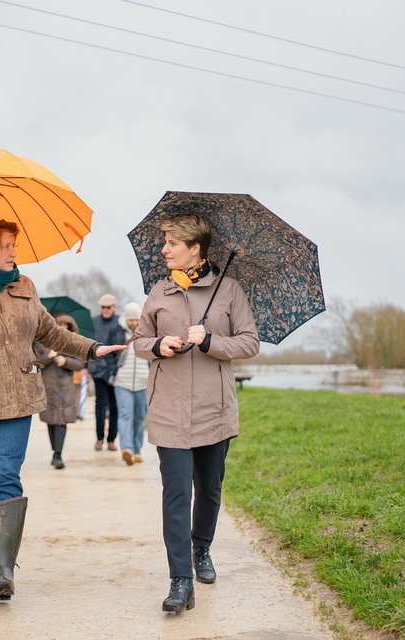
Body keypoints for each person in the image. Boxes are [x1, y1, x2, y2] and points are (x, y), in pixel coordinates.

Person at [0, 220, 126, 601]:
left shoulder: (26, 287)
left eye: (13, 244)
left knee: (4, 476)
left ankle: (3, 570)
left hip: (18, 397)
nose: (13, 251)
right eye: (6, 245)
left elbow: (51, 333)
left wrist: (92, 348)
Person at [132, 212, 259, 613]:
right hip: (168, 409)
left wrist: (210, 341)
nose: (164, 249)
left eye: (172, 243)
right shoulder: (159, 291)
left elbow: (249, 343)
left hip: (213, 411)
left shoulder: (229, 290)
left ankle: (201, 548)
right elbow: (139, 341)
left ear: (195, 248)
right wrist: (158, 345)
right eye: (164, 242)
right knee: (175, 493)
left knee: (209, 488)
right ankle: (180, 581)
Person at [35, 314, 85, 469]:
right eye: (60, 325)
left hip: (65, 387)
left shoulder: (74, 344)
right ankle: (55, 451)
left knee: (61, 420)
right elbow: (35, 363)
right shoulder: (42, 343)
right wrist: (49, 356)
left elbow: (81, 365)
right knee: (51, 420)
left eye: (66, 326)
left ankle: (58, 455)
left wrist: (66, 361)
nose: (63, 329)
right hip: (48, 386)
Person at [87, 293, 125, 451]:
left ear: (114, 307)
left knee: (115, 406)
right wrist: (86, 367)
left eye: (108, 307)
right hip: (98, 370)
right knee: (100, 405)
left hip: (115, 369)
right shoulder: (94, 322)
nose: (105, 310)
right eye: (103, 307)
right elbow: (87, 344)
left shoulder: (120, 322)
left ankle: (111, 440)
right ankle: (99, 438)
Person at [113, 302, 149, 466]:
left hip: (143, 382)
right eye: (131, 320)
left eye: (136, 319)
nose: (134, 323)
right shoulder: (117, 332)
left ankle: (137, 450)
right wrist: (112, 372)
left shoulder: (148, 332)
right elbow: (108, 354)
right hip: (122, 382)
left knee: (140, 418)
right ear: (126, 320)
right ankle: (126, 448)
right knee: (125, 415)